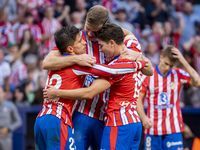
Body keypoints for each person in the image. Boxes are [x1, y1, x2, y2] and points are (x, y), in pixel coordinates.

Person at [42, 5, 154, 150]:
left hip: (107, 116)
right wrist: (76, 59)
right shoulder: (76, 40)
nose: (88, 33)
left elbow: (149, 70)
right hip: (83, 113)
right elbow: (47, 63)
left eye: (94, 31)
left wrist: (139, 56)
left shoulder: (120, 38)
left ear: (104, 27)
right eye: (87, 27)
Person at [137, 45, 200, 150]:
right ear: (161, 57)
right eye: (166, 63)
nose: (167, 68)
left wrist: (183, 61)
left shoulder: (178, 74)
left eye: (171, 65)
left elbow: (197, 82)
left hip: (173, 130)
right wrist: (143, 117)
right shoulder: (148, 75)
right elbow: (138, 99)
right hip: (152, 129)